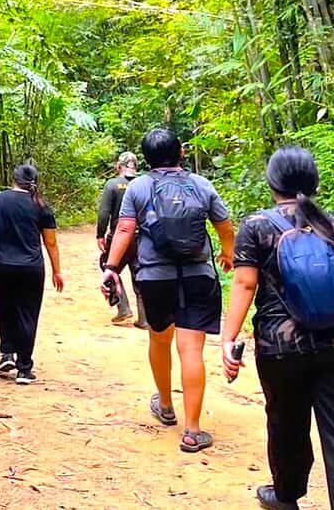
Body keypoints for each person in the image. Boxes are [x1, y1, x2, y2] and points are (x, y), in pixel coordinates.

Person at [221, 147, 334, 510]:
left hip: (281, 347)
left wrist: (228, 338)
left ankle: (286, 496)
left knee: (286, 422)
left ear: (272, 183)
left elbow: (244, 285)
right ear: (314, 181)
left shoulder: (257, 226)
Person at [100, 128, 235, 452]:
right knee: (191, 349)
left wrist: (111, 267)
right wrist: (227, 252)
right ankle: (192, 430)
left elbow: (124, 228)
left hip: (154, 277)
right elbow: (225, 225)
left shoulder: (139, 186)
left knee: (160, 339)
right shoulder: (201, 184)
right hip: (198, 274)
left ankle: (165, 405)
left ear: (144, 159)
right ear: (182, 153)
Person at [0, 163, 64, 385]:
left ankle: (7, 353)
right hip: (31, 268)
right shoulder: (41, 205)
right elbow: (50, 242)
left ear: (13, 179)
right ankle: (24, 368)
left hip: (1, 266)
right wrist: (57, 271)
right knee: (28, 313)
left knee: (4, 307)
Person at [97, 151, 148, 327]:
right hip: (141, 237)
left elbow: (104, 213)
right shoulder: (145, 184)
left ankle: (122, 307)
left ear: (118, 167)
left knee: (109, 267)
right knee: (139, 273)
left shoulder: (112, 185)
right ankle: (144, 318)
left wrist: (100, 234)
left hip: (119, 237)